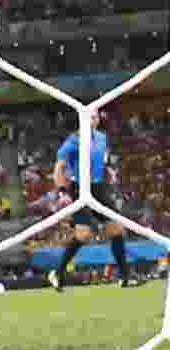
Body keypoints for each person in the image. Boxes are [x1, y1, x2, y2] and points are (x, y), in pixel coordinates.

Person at [48, 111, 141, 291]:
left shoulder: (101, 138)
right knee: (84, 235)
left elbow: (102, 160)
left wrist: (109, 170)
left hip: (98, 188)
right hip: (79, 188)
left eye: (95, 115)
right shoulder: (72, 141)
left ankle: (125, 277)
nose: (94, 118)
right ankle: (58, 272)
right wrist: (62, 192)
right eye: (90, 115)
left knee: (117, 230)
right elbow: (59, 168)